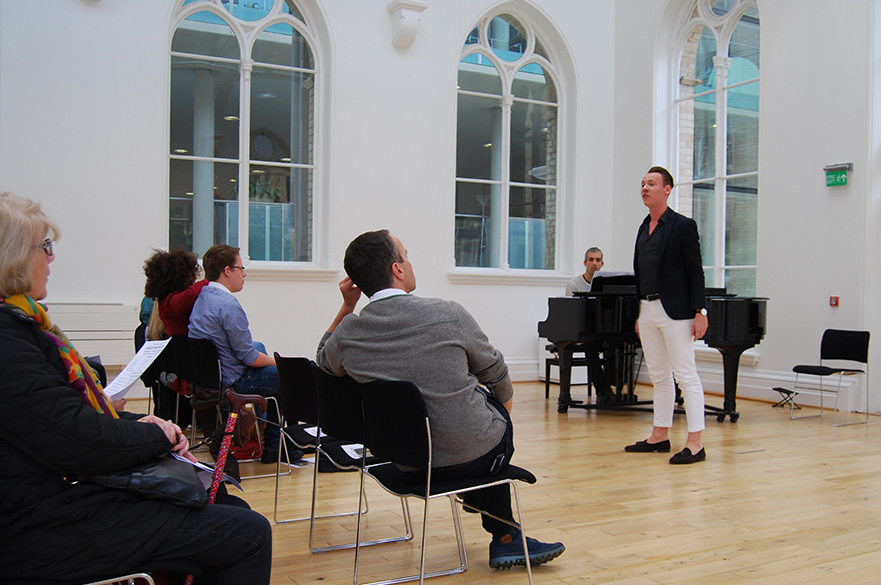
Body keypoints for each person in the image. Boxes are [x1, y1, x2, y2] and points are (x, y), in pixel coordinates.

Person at [0, 192, 271, 584]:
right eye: (45, 246)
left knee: (227, 510)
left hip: (42, 495)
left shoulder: (23, 328)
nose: (52, 257)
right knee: (247, 533)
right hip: (33, 525)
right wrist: (153, 434)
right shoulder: (11, 339)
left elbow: (54, 421)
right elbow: (80, 441)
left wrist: (136, 424)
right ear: (14, 255)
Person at [316, 229, 565, 570]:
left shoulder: (348, 333)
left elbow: (322, 361)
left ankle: (501, 527)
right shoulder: (448, 313)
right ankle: (503, 533)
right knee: (481, 420)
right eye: (406, 254)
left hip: (407, 461)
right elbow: (496, 371)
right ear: (398, 269)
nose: (409, 261)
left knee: (465, 423)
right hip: (472, 454)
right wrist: (504, 422)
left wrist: (347, 306)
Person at [625, 166, 708, 464]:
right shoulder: (642, 228)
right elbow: (641, 273)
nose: (645, 188)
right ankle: (659, 436)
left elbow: (694, 271)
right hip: (646, 309)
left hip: (676, 312)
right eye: (643, 183)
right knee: (659, 376)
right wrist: (639, 311)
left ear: (667, 189)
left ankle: (696, 443)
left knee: (686, 376)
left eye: (652, 184)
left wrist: (700, 311)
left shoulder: (683, 226)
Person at [188, 244, 295, 464]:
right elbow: (250, 358)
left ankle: (262, 423)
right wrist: (280, 363)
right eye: (241, 268)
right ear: (227, 271)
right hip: (233, 380)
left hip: (211, 379)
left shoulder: (203, 296)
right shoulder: (228, 305)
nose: (244, 274)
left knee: (260, 345)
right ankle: (276, 449)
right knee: (290, 376)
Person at [564, 247, 614, 403]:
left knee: (618, 344)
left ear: (602, 263)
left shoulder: (608, 284)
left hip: (602, 329)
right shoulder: (575, 284)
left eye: (598, 260)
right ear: (585, 263)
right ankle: (602, 389)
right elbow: (570, 314)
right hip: (581, 330)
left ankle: (614, 387)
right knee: (590, 344)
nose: (594, 263)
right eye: (591, 260)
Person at [143, 247, 208, 337]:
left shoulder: (164, 301)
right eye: (192, 274)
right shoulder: (172, 302)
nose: (196, 277)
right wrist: (215, 277)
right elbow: (193, 292)